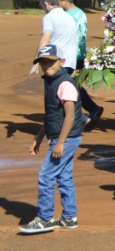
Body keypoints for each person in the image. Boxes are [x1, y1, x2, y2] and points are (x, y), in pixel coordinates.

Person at [19, 45, 86, 234]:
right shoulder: (51, 82)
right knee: (64, 176)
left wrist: (61, 142)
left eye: (50, 61)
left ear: (62, 62)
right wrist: (38, 137)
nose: (46, 65)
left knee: (46, 175)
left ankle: (45, 218)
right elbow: (50, 115)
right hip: (61, 136)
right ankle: (69, 217)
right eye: (43, 62)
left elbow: (70, 116)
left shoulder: (64, 83)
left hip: (67, 138)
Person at [32, 0, 103, 127]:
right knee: (70, 88)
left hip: (57, 61)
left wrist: (37, 59)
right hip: (72, 59)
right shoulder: (72, 16)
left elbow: (45, 38)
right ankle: (83, 116)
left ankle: (70, 121)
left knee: (55, 94)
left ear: (46, 4)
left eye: (41, 5)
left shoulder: (50, 17)